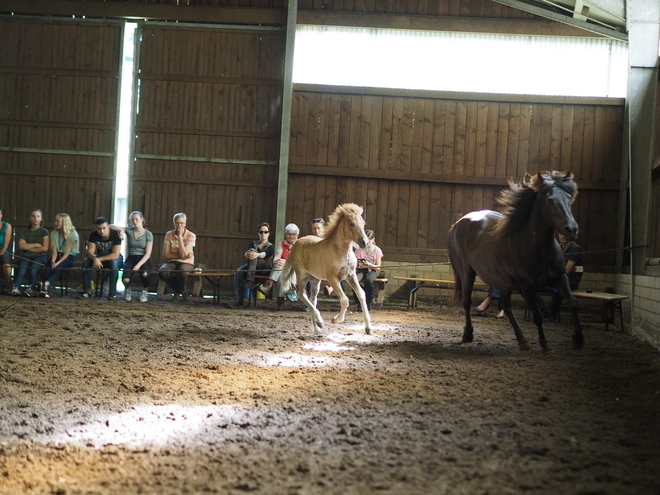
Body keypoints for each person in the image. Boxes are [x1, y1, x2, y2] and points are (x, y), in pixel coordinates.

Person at [536, 232, 584, 320]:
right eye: (560, 234)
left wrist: (554, 270)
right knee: (533, 287)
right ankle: (544, 310)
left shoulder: (575, 248)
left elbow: (567, 270)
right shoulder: (556, 248)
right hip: (557, 279)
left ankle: (553, 315)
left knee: (559, 291)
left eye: (565, 234)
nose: (562, 236)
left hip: (571, 280)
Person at [229, 223, 274, 309]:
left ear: (269, 233)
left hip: (264, 269)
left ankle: (249, 280)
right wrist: (247, 254)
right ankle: (238, 301)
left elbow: (266, 254)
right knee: (239, 272)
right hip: (251, 268)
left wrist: (256, 255)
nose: (263, 234)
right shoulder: (253, 243)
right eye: (261, 232)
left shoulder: (271, 246)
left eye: (265, 232)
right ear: (258, 233)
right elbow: (248, 254)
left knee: (253, 253)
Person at [113, 211, 153, 303]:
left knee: (145, 274)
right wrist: (121, 230)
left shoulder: (148, 234)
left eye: (137, 219)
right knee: (126, 279)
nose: (134, 222)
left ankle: (144, 291)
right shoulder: (129, 230)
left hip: (143, 258)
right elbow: (110, 225)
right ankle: (127, 289)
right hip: (131, 257)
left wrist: (138, 265)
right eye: (133, 220)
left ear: (142, 220)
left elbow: (148, 254)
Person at [256, 223, 299, 310]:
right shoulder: (282, 244)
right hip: (282, 269)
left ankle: (268, 285)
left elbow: (298, 260)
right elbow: (278, 255)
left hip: (295, 268)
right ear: (286, 234)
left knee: (280, 268)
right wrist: (275, 261)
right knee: (279, 271)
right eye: (289, 234)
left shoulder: (299, 244)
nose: (291, 236)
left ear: (297, 235)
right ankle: (280, 301)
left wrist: (286, 262)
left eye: (293, 234)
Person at [80, 217, 123, 300]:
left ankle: (112, 293)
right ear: (96, 228)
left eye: (104, 228)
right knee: (86, 262)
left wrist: (98, 259)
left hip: (114, 258)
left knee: (113, 264)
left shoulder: (115, 235)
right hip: (99, 256)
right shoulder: (93, 234)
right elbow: (89, 252)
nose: (102, 231)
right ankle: (87, 291)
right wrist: (95, 259)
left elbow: (115, 255)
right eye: (99, 229)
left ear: (108, 227)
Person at [11, 209, 49, 297]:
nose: (35, 218)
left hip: (39, 256)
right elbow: (21, 246)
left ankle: (31, 289)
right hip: (25, 255)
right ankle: (16, 288)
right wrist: (36, 244)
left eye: (38, 216)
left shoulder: (44, 232)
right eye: (33, 216)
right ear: (30, 218)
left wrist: (28, 247)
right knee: (22, 269)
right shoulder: (25, 230)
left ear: (41, 219)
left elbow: (44, 248)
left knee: (34, 270)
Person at [159, 212, 196, 302]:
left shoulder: (191, 235)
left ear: (185, 224)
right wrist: (184, 255)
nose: (179, 225)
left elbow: (183, 255)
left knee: (182, 272)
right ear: (174, 223)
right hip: (172, 261)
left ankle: (176, 294)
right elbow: (166, 255)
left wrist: (179, 237)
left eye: (182, 223)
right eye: (177, 223)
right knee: (162, 271)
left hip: (187, 262)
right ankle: (182, 290)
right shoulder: (169, 234)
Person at [40, 213, 80, 298]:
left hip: (68, 257)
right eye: (55, 221)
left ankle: (45, 284)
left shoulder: (73, 235)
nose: (55, 223)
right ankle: (45, 289)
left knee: (59, 267)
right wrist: (53, 261)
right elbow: (54, 251)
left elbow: (67, 253)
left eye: (58, 221)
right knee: (48, 266)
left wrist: (57, 264)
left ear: (64, 223)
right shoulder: (54, 233)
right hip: (58, 255)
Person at [353, 229, 383, 312]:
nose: (367, 243)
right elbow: (355, 263)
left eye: (369, 241)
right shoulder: (359, 249)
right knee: (355, 281)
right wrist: (360, 264)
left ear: (373, 240)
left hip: (372, 270)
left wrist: (370, 265)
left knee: (369, 281)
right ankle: (359, 302)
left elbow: (378, 267)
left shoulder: (377, 250)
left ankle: (368, 302)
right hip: (361, 269)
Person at [0, 208, 13, 292]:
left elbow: (5, 244)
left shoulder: (7, 226)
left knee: (5, 261)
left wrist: (1, 251)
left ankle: (9, 285)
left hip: (3, 251)